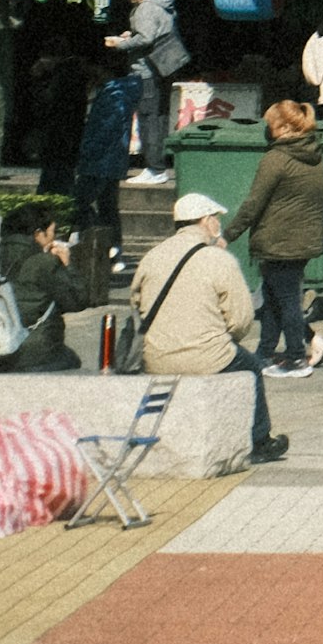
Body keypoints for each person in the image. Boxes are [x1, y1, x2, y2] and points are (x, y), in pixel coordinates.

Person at [133, 192, 286, 462]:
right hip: (207, 356)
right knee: (250, 366)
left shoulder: (152, 257)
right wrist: (225, 339)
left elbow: (136, 303)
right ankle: (260, 441)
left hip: (155, 356)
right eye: (215, 218)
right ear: (205, 221)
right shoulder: (219, 260)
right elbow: (241, 319)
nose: (218, 224)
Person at [233, 98, 323, 379]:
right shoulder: (316, 157)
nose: (267, 131)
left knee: (287, 301)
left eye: (270, 125)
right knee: (274, 298)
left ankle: (295, 358)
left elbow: (254, 203)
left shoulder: (276, 159)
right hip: (303, 241)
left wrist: (227, 234)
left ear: (284, 127)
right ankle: (264, 353)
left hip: (277, 241)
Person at [0, 203, 99, 374]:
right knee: (71, 359)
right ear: (38, 234)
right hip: (31, 353)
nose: (53, 238)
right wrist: (68, 265)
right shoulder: (44, 263)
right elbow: (78, 301)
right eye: (52, 233)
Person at [103, 0, 187, 182]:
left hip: (147, 71)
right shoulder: (165, 4)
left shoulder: (145, 8)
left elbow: (146, 38)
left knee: (148, 119)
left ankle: (155, 169)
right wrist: (132, 35)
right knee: (159, 119)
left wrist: (121, 44)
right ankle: (157, 167)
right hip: (163, 69)